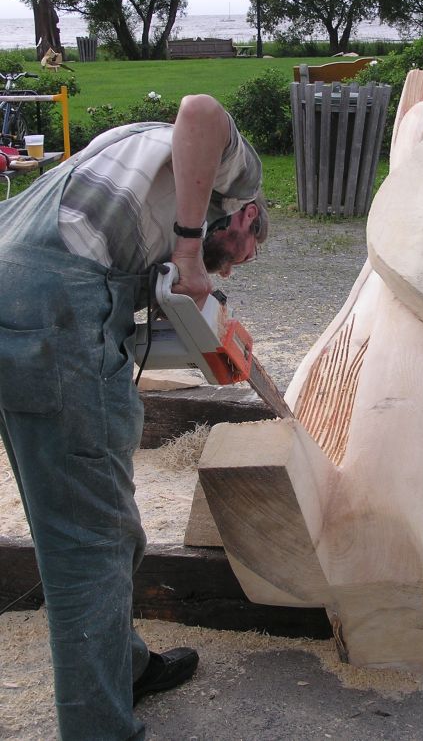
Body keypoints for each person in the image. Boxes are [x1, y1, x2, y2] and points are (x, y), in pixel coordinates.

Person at [0, 94, 268, 740]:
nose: (227, 264)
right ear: (248, 217)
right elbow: (201, 110)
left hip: (18, 266)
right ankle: (100, 728)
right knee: (92, 540)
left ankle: (121, 663)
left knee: (75, 512)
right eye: (237, 254)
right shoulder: (239, 178)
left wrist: (201, 315)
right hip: (53, 296)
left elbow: (135, 293)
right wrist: (188, 253)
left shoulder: (140, 157)